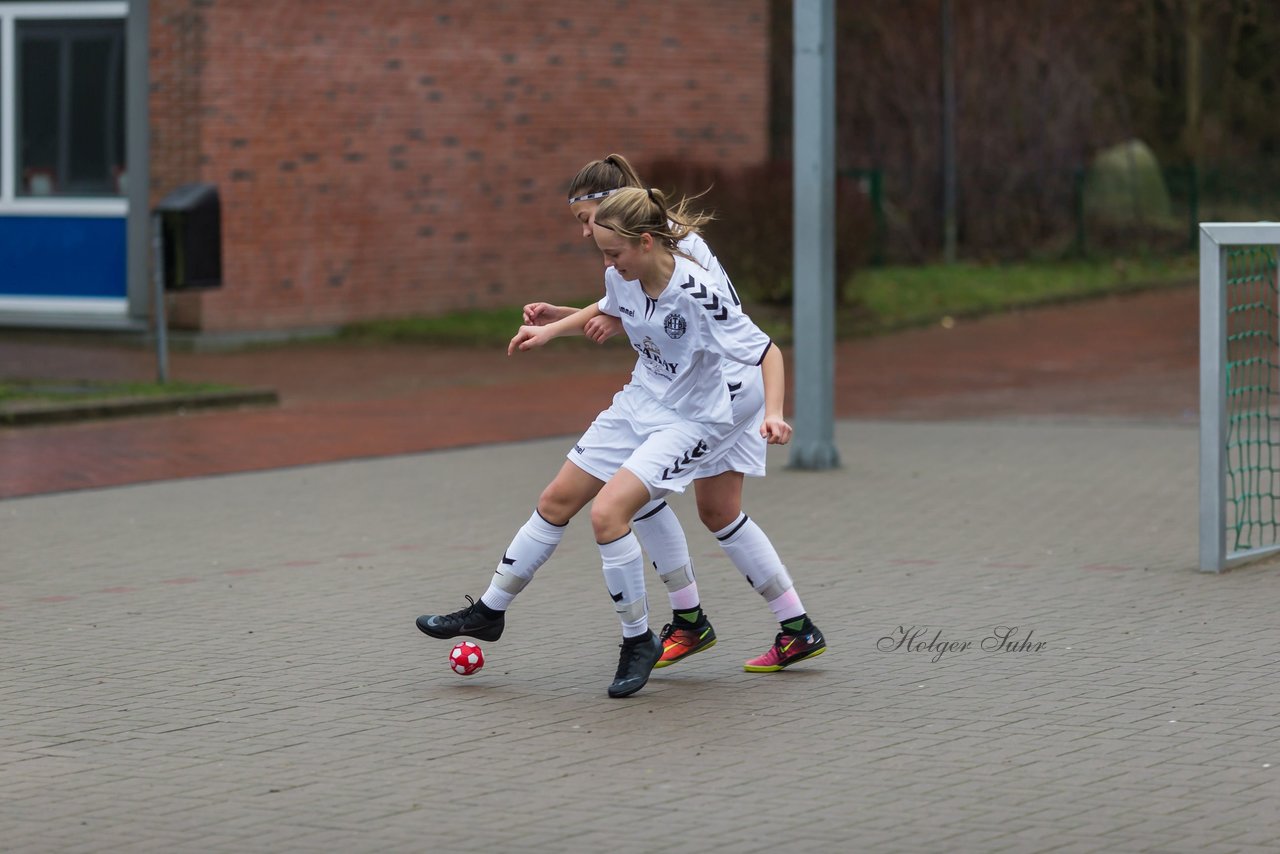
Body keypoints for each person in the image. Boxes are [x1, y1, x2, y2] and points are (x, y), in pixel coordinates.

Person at [417, 185, 820, 697]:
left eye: (611, 249)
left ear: (647, 242)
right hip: (638, 403)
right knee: (556, 499)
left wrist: (776, 414)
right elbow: (614, 309)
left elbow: (768, 352)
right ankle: (489, 611)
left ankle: (640, 641)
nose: (605, 260)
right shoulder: (621, 273)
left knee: (611, 515)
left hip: (692, 418)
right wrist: (551, 329)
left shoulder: (697, 289)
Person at [522, 154, 826, 673]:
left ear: (621, 212)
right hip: (708, 390)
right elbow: (638, 308)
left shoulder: (681, 253)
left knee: (628, 498)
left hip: (719, 395)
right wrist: (569, 319)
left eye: (586, 220)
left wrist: (774, 410)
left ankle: (688, 621)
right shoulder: (638, 251)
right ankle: (792, 628)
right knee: (718, 511)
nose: (586, 235)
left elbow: (718, 326)